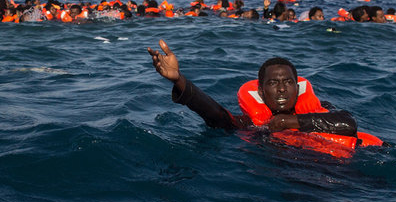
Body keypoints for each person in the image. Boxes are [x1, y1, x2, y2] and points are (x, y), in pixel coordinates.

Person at [147, 40, 360, 136]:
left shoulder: (318, 109)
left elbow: (348, 124)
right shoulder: (252, 124)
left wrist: (288, 121)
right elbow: (215, 114)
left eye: (288, 82)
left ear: (298, 87)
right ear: (260, 91)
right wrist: (178, 80)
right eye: (273, 83)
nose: (282, 89)